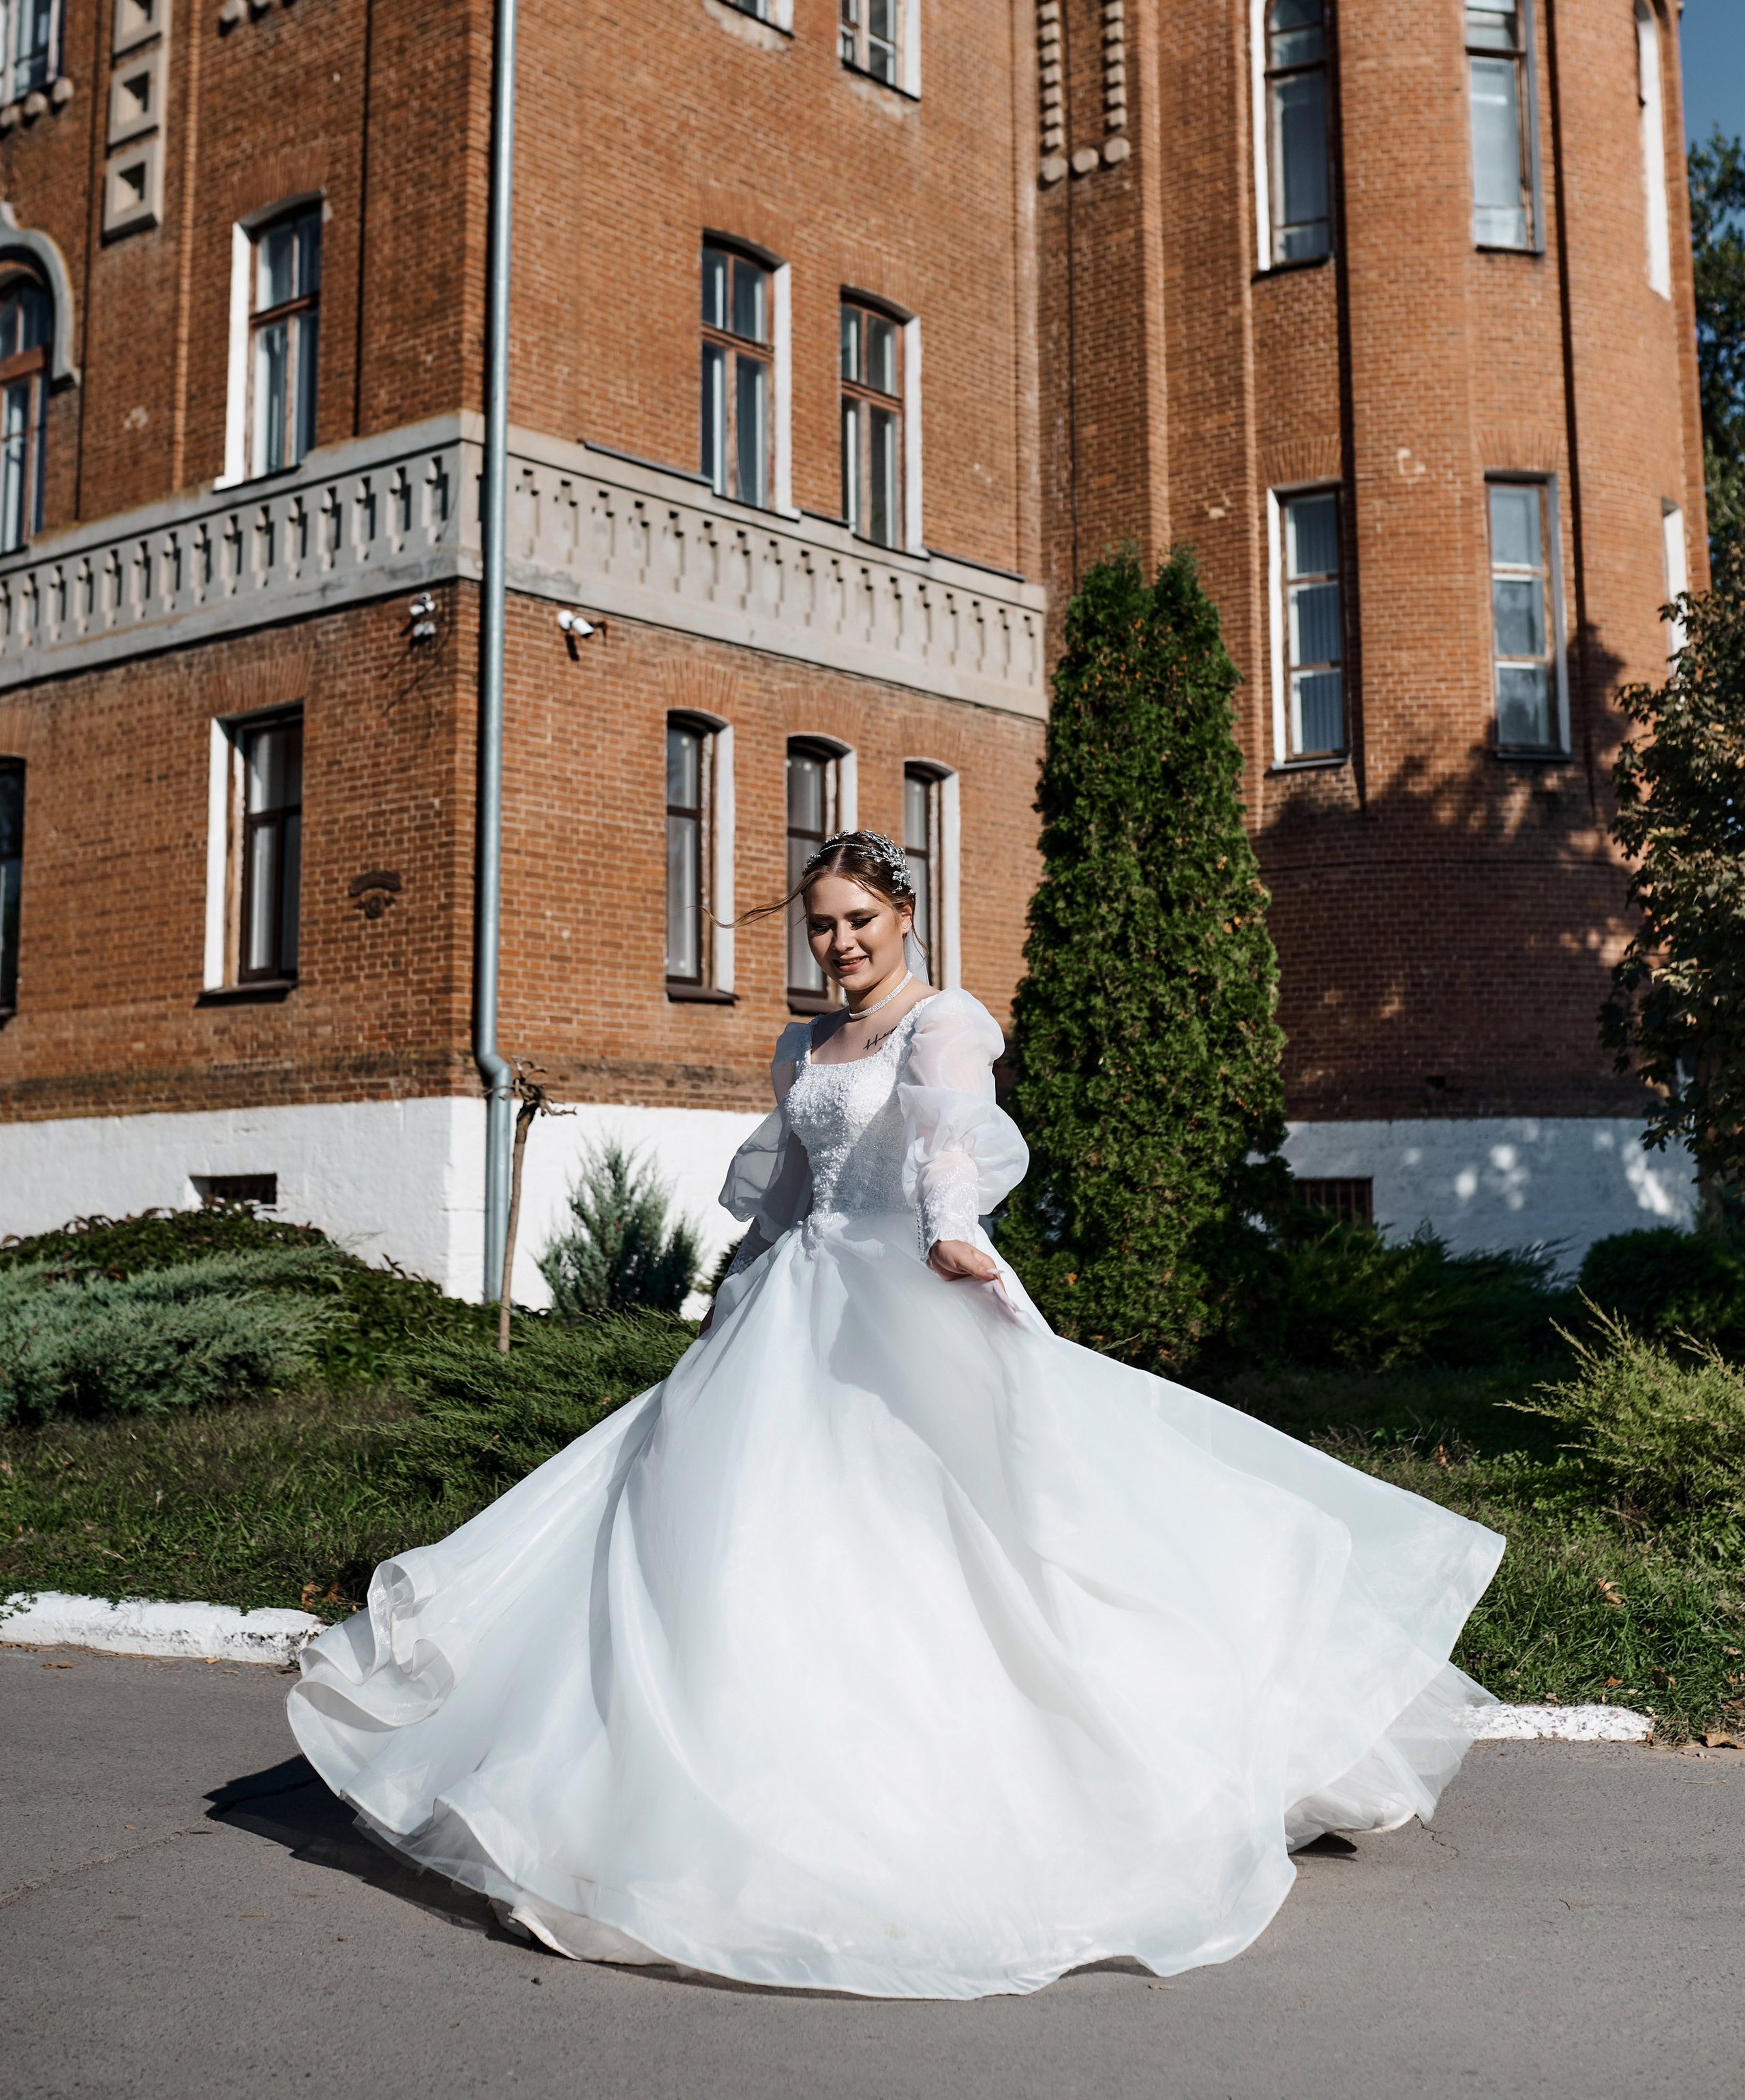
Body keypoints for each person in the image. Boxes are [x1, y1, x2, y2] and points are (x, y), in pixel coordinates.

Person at [289, 830, 1502, 2000]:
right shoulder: (801, 1047)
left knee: (983, 1536)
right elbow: (792, 1195)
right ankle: (687, 1788)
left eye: (859, 921)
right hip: (792, 1312)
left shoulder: (946, 1021)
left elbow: (945, 1149)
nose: (840, 944)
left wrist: (952, 1237)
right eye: (822, 927)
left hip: (912, 1291)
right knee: (719, 1535)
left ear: (905, 916)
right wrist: (732, 1286)